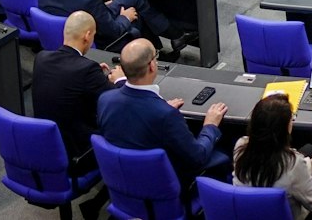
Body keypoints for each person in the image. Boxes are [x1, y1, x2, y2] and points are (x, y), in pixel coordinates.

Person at [98, 38, 230, 186]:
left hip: (125, 182)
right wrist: (210, 126)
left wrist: (161, 106)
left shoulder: (105, 99)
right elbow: (198, 156)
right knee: (226, 150)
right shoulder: (166, 115)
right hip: (163, 187)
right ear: (152, 66)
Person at [32, 12, 120, 167]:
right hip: (78, 154)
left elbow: (67, 77)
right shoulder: (86, 70)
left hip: (47, 146)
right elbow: (119, 100)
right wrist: (119, 78)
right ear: (87, 36)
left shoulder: (42, 58)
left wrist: (94, 76)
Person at [233, 95, 312, 220]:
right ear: (283, 129)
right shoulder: (293, 164)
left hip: (249, 214)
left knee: (308, 149)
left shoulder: (241, 146)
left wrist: (311, 163)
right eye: (292, 119)